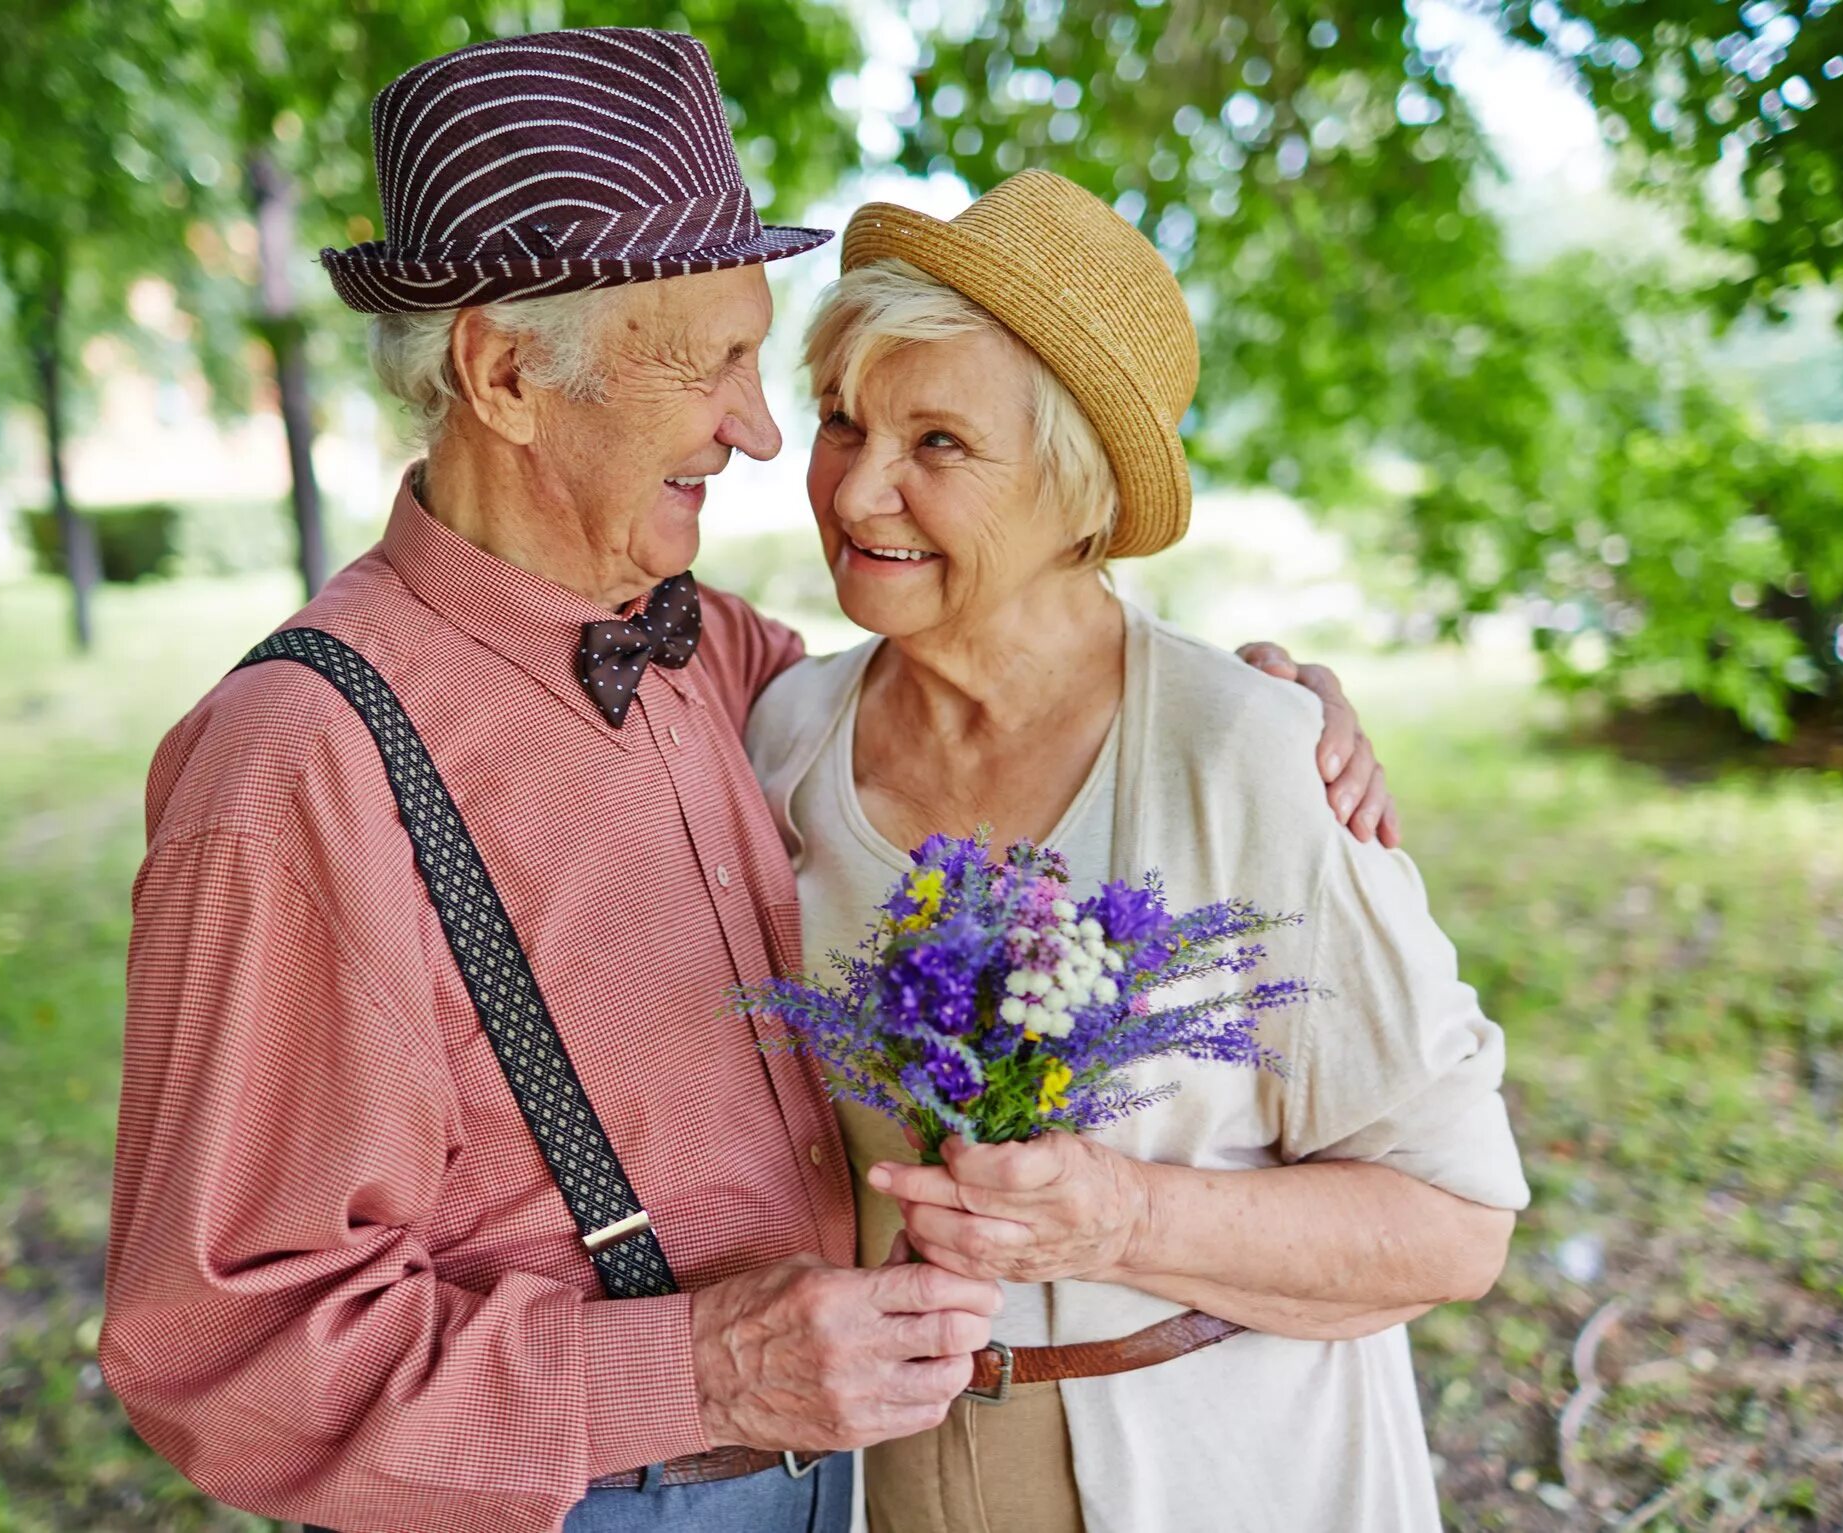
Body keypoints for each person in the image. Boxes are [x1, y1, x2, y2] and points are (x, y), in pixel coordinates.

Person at [101, 30, 1392, 1533]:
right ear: (507, 373)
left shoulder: (719, 656)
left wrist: (1264, 708)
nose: (766, 429)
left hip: (833, 1482)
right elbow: (226, 1356)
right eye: (711, 361)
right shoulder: (295, 766)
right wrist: (706, 1368)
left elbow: (974, 692)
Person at [743, 171, 1528, 1533]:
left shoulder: (1243, 753)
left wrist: (1117, 1215)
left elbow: (1456, 1220)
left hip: (1230, 1471)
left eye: (937, 443)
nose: (858, 485)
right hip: (886, 1483)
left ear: (1078, 494)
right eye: (841, 420)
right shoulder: (786, 737)